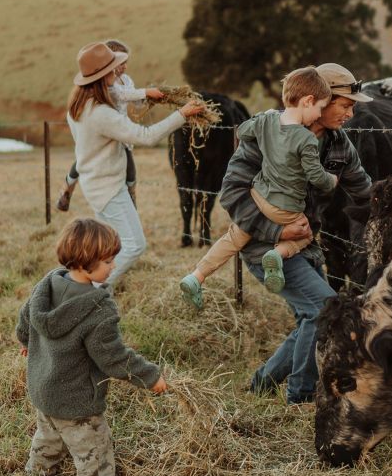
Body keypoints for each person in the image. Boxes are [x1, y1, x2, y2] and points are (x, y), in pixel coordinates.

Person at [219, 63, 373, 405]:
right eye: (346, 105)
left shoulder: (339, 146)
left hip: (305, 247)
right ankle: (301, 396)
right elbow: (231, 193)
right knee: (323, 308)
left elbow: (364, 190)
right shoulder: (269, 133)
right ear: (319, 99)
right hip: (263, 245)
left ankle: (263, 384)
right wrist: (277, 228)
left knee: (312, 314)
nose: (351, 114)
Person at [15, 218, 166, 476]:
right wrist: (149, 376)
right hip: (78, 401)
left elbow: (26, 317)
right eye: (108, 261)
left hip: (44, 390)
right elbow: (113, 357)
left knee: (48, 436)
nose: (113, 267)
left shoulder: (47, 285)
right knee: (94, 453)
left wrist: (25, 340)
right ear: (85, 264)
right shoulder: (97, 309)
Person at [179, 67, 337, 307]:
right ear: (308, 101)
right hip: (285, 209)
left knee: (233, 238)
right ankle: (276, 255)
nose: (318, 115)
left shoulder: (267, 120)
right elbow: (316, 177)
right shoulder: (306, 139)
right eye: (319, 108)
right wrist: (332, 180)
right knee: (304, 233)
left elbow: (242, 132)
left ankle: (196, 276)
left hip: (259, 197)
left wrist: (264, 120)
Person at [65, 41, 203, 286]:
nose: (117, 71)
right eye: (113, 68)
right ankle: (94, 290)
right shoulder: (101, 114)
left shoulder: (78, 106)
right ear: (102, 75)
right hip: (107, 187)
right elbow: (145, 136)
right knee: (134, 245)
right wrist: (182, 115)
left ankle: (92, 290)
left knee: (108, 246)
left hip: (96, 183)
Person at [57, 39, 165, 211]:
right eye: (121, 63)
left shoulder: (126, 80)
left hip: (120, 129)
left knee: (130, 170)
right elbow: (121, 95)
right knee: (83, 161)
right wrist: (145, 92)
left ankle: (131, 199)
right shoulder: (108, 84)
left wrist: (149, 100)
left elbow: (135, 101)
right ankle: (67, 188)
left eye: (126, 63)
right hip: (105, 129)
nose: (125, 67)